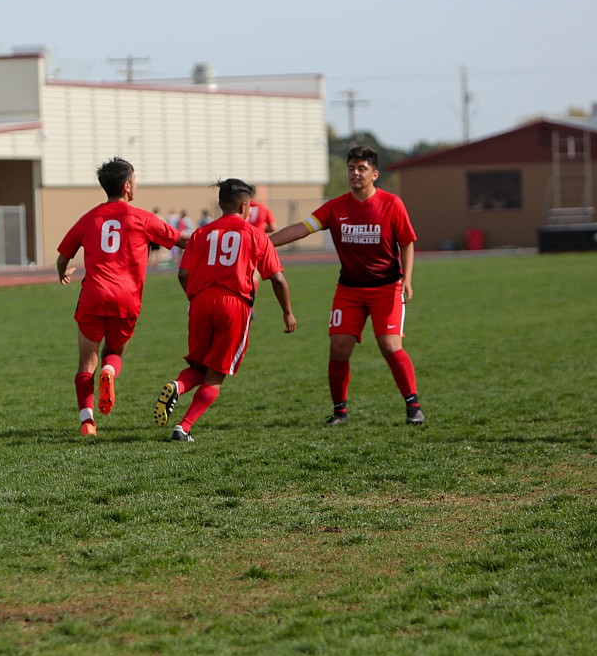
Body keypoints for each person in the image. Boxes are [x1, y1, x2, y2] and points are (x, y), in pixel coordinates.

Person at [269, 145, 424, 426]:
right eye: (351, 168)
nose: (355, 173)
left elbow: (407, 242)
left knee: (390, 346)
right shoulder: (335, 206)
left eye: (361, 168)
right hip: (349, 289)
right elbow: (300, 229)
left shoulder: (392, 204)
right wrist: (263, 242)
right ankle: (339, 411)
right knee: (339, 348)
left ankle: (413, 406)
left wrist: (407, 280)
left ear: (374, 174)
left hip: (386, 287)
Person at [153, 178, 296, 441]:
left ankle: (177, 385)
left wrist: (194, 298)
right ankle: (183, 427)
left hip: (200, 302)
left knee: (198, 365)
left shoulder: (200, 234)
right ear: (245, 206)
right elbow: (277, 278)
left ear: (220, 204)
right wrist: (287, 311)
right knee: (217, 373)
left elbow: (183, 273)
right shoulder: (255, 235)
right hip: (234, 304)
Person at [56, 157, 187, 437]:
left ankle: (87, 421)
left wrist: (62, 271)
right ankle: (110, 372)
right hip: (126, 299)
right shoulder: (142, 218)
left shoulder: (90, 217)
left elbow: (63, 255)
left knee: (84, 363)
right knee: (113, 353)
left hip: (93, 295)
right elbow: (182, 241)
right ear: (127, 186)